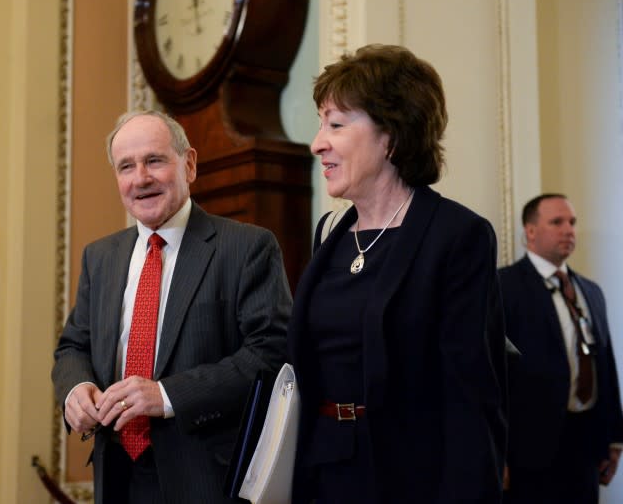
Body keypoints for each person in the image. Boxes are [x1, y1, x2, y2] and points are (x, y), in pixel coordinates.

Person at [287, 44, 507, 503]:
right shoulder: (329, 233)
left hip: (408, 478)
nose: (317, 142)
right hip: (321, 471)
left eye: (336, 124)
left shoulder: (458, 236)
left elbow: (469, 397)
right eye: (320, 123)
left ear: (390, 135)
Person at [52, 110, 292, 504]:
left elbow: (270, 356)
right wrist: (75, 389)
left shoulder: (247, 247)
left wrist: (165, 395)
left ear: (190, 164)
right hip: (116, 475)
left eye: (154, 160)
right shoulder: (100, 257)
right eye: (126, 166)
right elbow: (72, 347)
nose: (140, 178)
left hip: (205, 479)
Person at [499, 193, 623, 504]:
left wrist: (614, 439)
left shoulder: (590, 291)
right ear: (530, 231)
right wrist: (494, 451)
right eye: (557, 222)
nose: (568, 230)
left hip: (585, 443)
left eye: (572, 222)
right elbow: (491, 373)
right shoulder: (503, 287)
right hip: (529, 450)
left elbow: (605, 364)